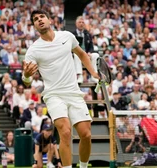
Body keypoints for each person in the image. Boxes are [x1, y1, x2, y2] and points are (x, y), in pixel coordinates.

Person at [23, 10, 99, 168]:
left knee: (86, 134)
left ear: (49, 20)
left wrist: (94, 73)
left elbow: (82, 55)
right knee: (65, 132)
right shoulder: (33, 50)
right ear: (35, 26)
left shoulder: (67, 36)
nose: (40, 20)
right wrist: (26, 76)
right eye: (36, 19)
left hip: (73, 92)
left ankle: (83, 166)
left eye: (42, 17)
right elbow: (26, 82)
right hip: (54, 96)